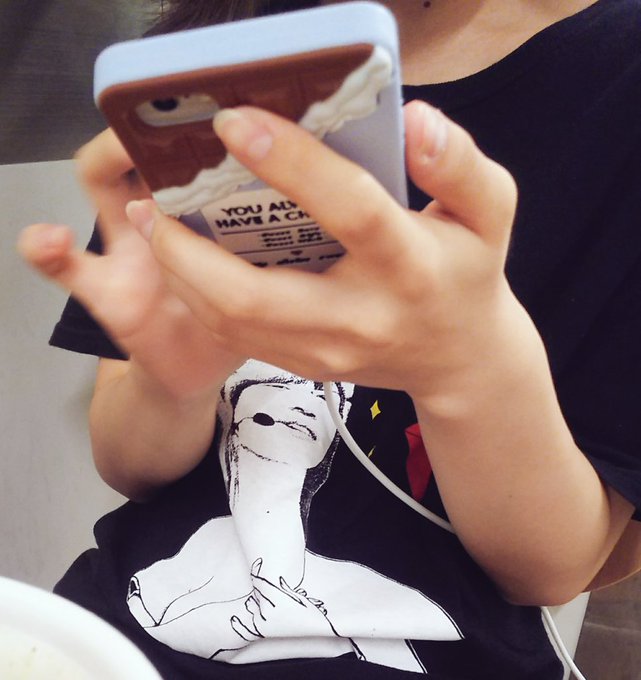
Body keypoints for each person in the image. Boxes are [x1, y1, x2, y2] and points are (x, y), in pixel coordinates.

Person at [17, 0, 641, 678]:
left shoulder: (618, 76)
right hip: (107, 636)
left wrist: (467, 373)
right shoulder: (208, 55)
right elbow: (127, 463)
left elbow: (556, 568)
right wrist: (174, 379)